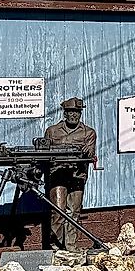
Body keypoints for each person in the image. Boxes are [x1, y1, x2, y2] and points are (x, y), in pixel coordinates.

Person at [44, 97, 97, 252]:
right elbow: (44, 154)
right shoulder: (52, 131)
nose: (74, 115)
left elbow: (90, 153)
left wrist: (87, 153)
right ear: (65, 113)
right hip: (57, 176)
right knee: (58, 211)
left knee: (74, 212)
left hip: (77, 176)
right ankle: (56, 247)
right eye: (71, 112)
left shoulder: (88, 132)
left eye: (77, 112)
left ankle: (71, 247)